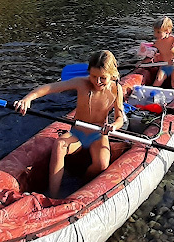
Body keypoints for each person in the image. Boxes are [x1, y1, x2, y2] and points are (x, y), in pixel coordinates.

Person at [14, 50, 126, 198]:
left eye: (102, 78)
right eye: (94, 76)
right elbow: (50, 88)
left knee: (102, 164)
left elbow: (120, 118)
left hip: (98, 134)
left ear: (112, 75)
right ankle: (53, 195)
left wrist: (114, 126)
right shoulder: (81, 83)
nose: (97, 82)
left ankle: (82, 185)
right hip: (78, 133)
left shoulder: (116, 89)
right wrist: (28, 98)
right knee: (60, 144)